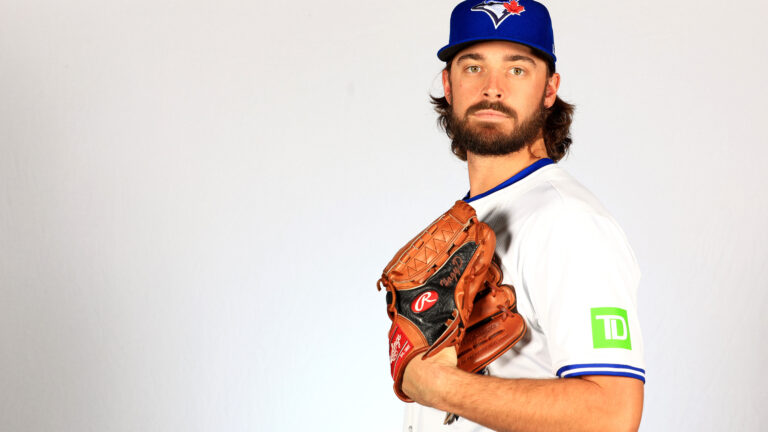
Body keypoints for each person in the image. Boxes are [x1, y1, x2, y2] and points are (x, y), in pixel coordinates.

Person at [399, 1, 645, 431]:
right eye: (473, 67)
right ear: (449, 85)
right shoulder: (469, 221)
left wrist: (439, 386)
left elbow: (613, 414)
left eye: (517, 69)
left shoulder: (567, 221)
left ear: (549, 89)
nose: (492, 88)